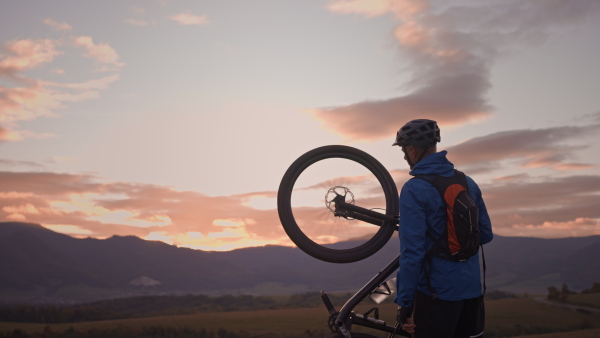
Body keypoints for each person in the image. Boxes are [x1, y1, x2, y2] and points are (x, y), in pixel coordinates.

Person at [392, 119, 493, 338]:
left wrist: (405, 304)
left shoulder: (414, 189)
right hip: (472, 292)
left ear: (411, 149)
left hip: (437, 296)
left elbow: (412, 253)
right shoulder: (468, 182)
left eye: (403, 151)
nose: (404, 156)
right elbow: (485, 234)